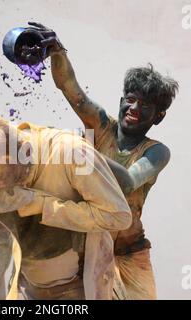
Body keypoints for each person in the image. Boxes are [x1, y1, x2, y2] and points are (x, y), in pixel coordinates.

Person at [32, 22, 179, 299]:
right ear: (122, 100)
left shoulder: (156, 152)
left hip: (128, 253)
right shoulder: (101, 126)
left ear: (158, 116)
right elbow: (71, 90)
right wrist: (58, 53)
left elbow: (125, 183)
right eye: (132, 100)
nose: (135, 109)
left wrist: (78, 149)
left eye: (145, 106)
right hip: (83, 249)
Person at [0, 118, 132, 300]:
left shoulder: (73, 153)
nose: (0, 186)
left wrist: (45, 206)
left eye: (12, 179)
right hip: (28, 283)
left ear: (27, 152)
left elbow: (118, 216)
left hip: (81, 285)